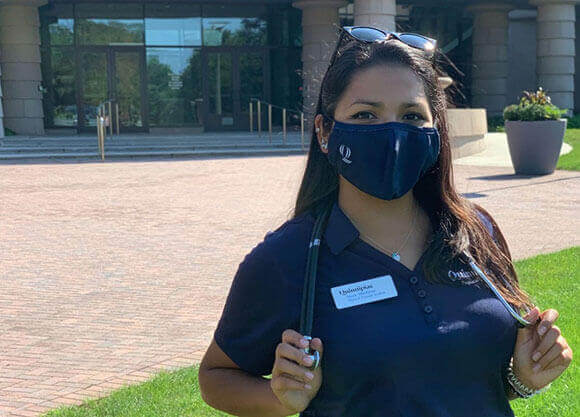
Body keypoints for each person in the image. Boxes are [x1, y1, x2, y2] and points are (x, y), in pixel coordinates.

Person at [198, 26, 573, 416]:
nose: (392, 134)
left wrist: (522, 377)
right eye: (365, 115)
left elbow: (467, 381)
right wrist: (278, 399)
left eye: (411, 116)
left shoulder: (476, 232)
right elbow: (215, 377)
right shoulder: (288, 257)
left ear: (435, 131)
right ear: (325, 132)